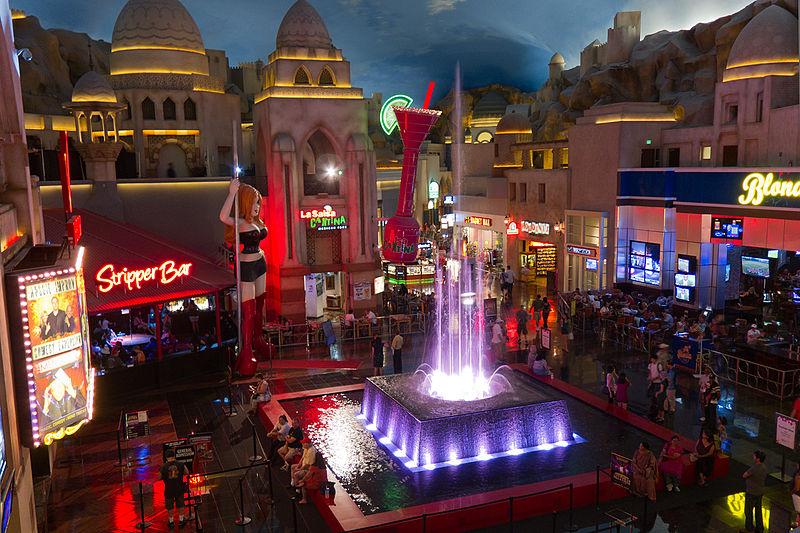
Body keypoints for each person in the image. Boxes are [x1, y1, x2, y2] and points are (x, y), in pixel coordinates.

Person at [220, 177, 270, 376]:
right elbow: (223, 217)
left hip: (260, 262)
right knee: (249, 312)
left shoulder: (255, 222)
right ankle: (247, 350)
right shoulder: (240, 222)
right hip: (247, 266)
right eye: (254, 202)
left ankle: (258, 339)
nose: (257, 206)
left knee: (259, 305)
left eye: (258, 202)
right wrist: (232, 193)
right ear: (245, 203)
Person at [158, 448, 189, 527]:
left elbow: (159, 478)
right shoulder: (180, 464)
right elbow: (187, 472)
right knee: (181, 504)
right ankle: (181, 520)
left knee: (170, 505)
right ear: (174, 456)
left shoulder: (163, 467)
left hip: (169, 489)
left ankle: (171, 521)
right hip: (179, 488)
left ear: (166, 457)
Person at [742, 450, 766, 533]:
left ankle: (749, 528)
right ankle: (760, 528)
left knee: (748, 511)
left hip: (752, 492)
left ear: (758, 459)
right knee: (758, 511)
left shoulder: (755, 467)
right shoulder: (763, 467)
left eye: (754, 456)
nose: (753, 457)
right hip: (760, 492)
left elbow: (745, 475)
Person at [791, 462, 800, 528]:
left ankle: (798, 524)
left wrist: (792, 491)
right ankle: (797, 522)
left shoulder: (798, 475)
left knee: (798, 511)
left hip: (797, 495)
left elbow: (797, 487)